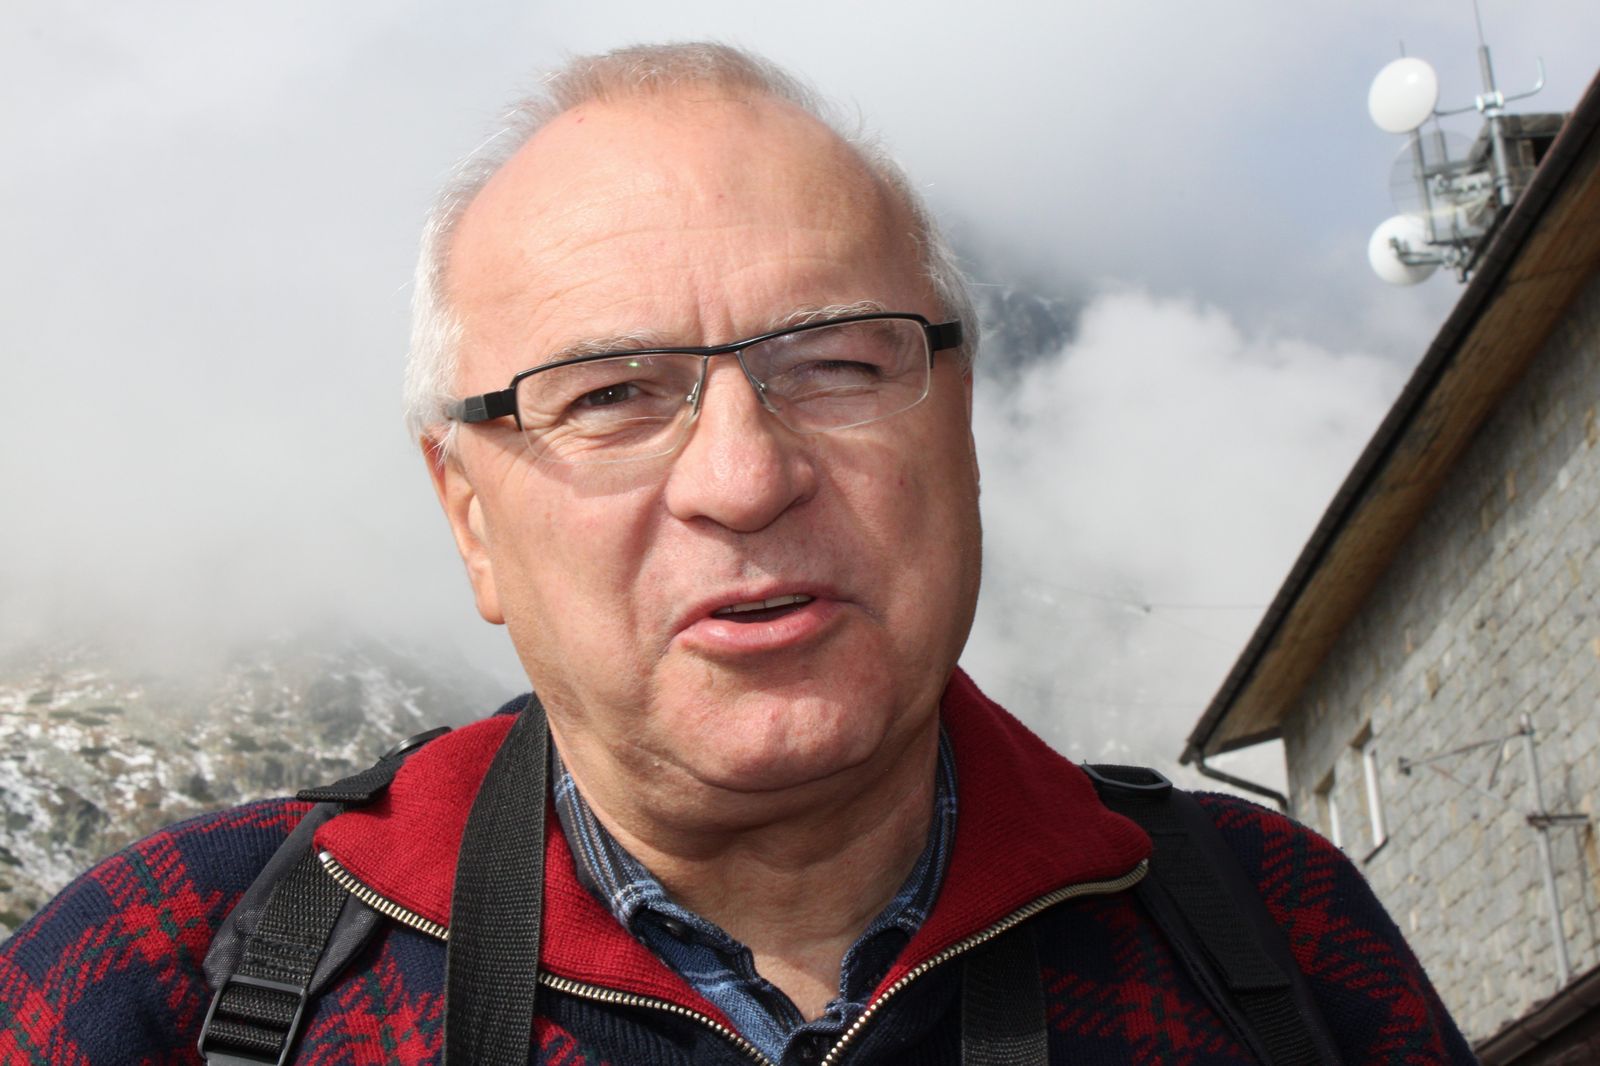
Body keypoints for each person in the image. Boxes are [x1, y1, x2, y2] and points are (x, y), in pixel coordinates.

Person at [1, 43, 1474, 1065]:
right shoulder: (166, 973)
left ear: (959, 429)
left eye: (835, 363)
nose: (745, 477)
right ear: (470, 517)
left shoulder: (1272, 938)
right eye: (609, 396)